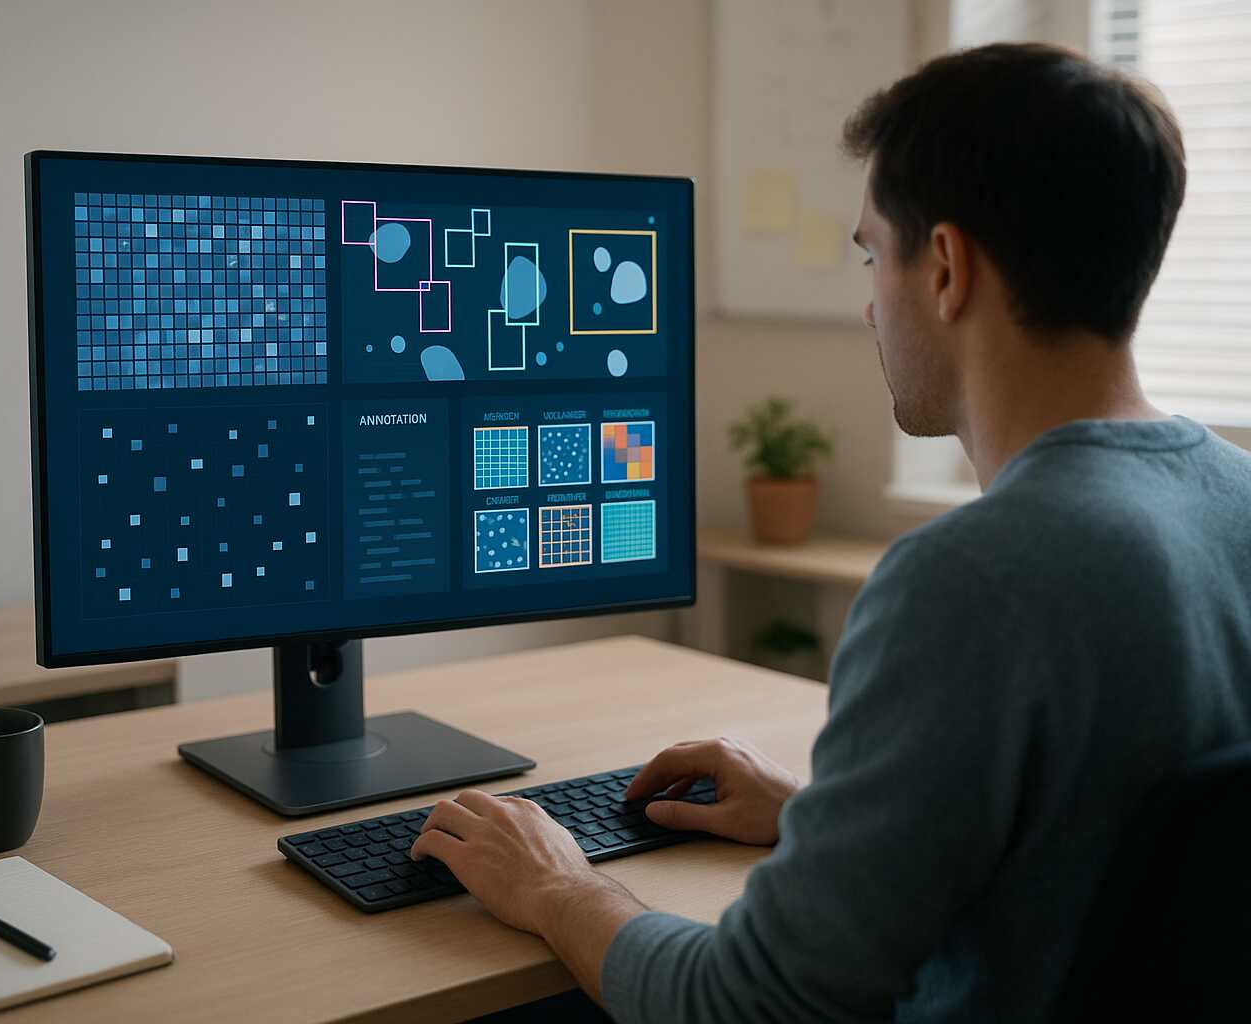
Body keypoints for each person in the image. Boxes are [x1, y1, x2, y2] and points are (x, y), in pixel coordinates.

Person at [413, 42, 1251, 1022]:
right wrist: (819, 815)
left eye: (871, 253)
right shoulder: (1233, 497)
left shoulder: (972, 580)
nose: (867, 304)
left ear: (944, 267)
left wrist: (556, 884)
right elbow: (1094, 838)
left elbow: (749, 1007)